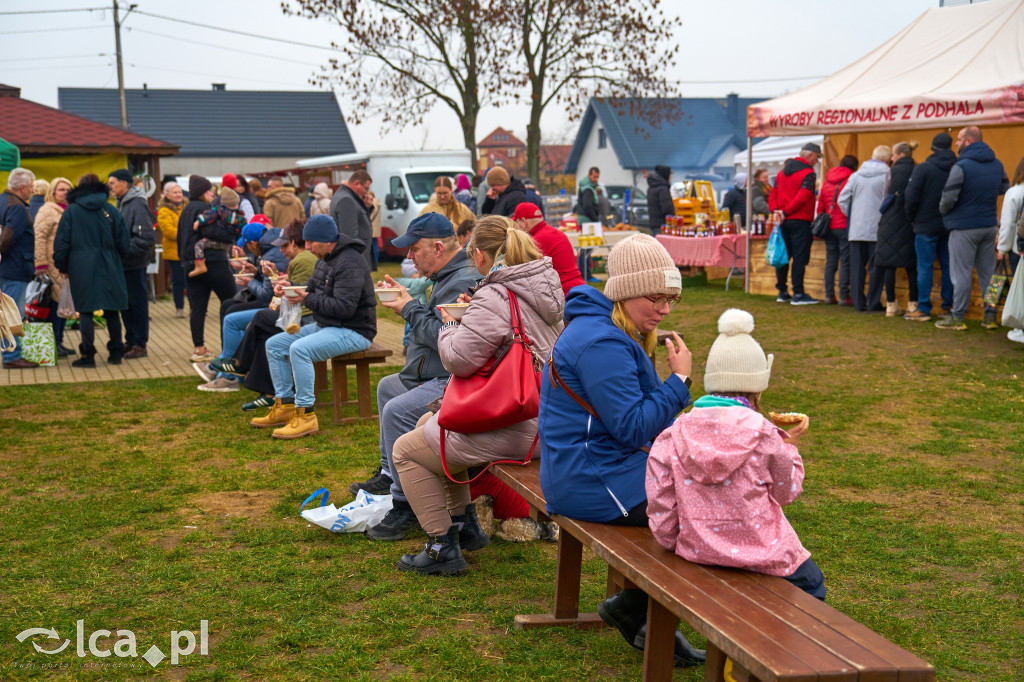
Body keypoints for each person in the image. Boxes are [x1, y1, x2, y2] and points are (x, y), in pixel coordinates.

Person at [537, 233, 702, 667]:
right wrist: (679, 382)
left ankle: (636, 605)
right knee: (706, 514)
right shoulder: (602, 343)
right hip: (593, 480)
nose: (665, 310)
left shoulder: (605, 330)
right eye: (657, 298)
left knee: (704, 496)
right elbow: (631, 428)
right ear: (626, 291)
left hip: (596, 469)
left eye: (672, 300)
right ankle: (646, 614)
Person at [390, 215, 565, 574]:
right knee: (427, 421)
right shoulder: (542, 286)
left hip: (513, 421)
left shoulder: (495, 294)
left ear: (480, 255)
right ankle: (464, 526)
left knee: (405, 451)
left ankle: (441, 546)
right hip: (543, 417)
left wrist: (453, 325)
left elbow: (457, 360)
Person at [646, 308, 825, 600]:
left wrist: (672, 542)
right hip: (763, 553)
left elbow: (661, 500)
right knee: (811, 586)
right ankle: (772, 646)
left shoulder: (674, 433)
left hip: (697, 549)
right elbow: (788, 492)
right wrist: (789, 447)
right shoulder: (765, 433)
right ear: (757, 387)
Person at [349, 213, 481, 541]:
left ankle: (404, 504)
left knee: (396, 409)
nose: (408, 257)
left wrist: (408, 308)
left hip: (455, 380)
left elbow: (444, 336)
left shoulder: (462, 279)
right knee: (387, 387)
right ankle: (388, 471)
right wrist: (408, 302)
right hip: (439, 373)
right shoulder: (448, 274)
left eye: (414, 250)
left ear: (438, 247)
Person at [248, 215, 375, 439]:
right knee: (275, 344)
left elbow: (344, 308)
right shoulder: (324, 258)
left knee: (300, 349)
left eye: (310, 242)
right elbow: (314, 289)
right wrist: (291, 287)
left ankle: (306, 414)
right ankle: (285, 405)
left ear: (327, 241)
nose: (306, 247)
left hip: (355, 331)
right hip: (329, 326)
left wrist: (305, 297)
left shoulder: (350, 262)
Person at [937, 126, 1009, 331]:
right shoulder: (997, 164)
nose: (956, 144)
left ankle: (958, 317)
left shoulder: (962, 166)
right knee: (990, 275)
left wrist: (944, 212)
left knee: (961, 274)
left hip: (963, 227)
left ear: (968, 141)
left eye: (959, 140)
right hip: (988, 226)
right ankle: (991, 316)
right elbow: (1004, 187)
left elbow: (948, 198)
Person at [53, 173, 129, 367]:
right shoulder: (111, 210)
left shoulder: (71, 212)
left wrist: (62, 265)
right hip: (110, 263)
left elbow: (62, 242)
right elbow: (124, 242)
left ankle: (88, 356)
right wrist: (117, 258)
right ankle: (116, 353)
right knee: (112, 310)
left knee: (85, 310)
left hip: (80, 266)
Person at [178, 174, 240, 364]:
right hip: (213, 262)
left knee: (197, 308)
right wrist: (231, 237)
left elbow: (180, 238)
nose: (213, 196)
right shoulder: (208, 209)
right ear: (205, 193)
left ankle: (199, 348)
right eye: (211, 193)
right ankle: (231, 350)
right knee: (232, 302)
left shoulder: (185, 210)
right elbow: (212, 231)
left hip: (190, 263)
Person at [903, 133, 957, 322]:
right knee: (948, 267)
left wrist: (912, 218)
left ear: (932, 148)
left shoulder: (923, 169)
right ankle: (947, 306)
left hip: (925, 225)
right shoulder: (957, 168)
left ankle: (924, 308)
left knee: (924, 267)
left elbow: (910, 197)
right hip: (949, 225)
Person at [108, 169, 156, 359]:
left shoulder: (137, 204)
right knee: (126, 305)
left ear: (124, 184)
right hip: (124, 264)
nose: (110, 186)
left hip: (134, 264)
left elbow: (145, 237)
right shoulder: (123, 203)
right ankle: (131, 340)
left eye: (113, 183)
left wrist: (123, 250)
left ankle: (140, 343)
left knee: (137, 304)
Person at [838, 146, 892, 312]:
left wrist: (853, 216)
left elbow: (842, 200)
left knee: (856, 269)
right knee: (876, 269)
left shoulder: (855, 176)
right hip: (878, 228)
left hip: (857, 229)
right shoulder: (888, 175)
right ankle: (873, 302)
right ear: (888, 160)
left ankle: (858, 302)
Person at [770, 143, 821, 305]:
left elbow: (773, 194)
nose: (817, 161)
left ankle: (782, 291)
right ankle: (798, 293)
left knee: (784, 256)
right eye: (817, 158)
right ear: (811, 156)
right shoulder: (809, 173)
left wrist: (776, 211)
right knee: (800, 257)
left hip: (783, 220)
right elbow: (803, 196)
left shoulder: (781, 173)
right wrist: (786, 212)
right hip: (800, 219)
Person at [875, 142, 919, 317]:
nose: (891, 158)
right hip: (909, 221)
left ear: (900, 155)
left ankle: (891, 305)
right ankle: (913, 304)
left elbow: (884, 195)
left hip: (889, 221)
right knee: (911, 265)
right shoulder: (917, 170)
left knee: (889, 265)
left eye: (893, 155)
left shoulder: (889, 172)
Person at [1, 168, 38, 369]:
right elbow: (7, 238)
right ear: (22, 187)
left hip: (7, 267)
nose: (33, 190)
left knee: (6, 312)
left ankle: (10, 354)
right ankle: (11, 356)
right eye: (31, 186)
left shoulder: (3, 199)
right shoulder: (16, 207)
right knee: (12, 313)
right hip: (14, 268)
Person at [32, 176, 74, 357]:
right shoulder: (47, 210)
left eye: (67, 189)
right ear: (52, 192)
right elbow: (39, 236)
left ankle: (60, 341)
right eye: (61, 189)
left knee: (63, 305)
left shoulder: (69, 210)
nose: (65, 193)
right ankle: (53, 343)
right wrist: (40, 262)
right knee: (54, 305)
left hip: (65, 264)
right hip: (51, 264)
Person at [512, 202, 584, 296]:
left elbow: (524, 275)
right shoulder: (557, 233)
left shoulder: (536, 241)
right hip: (578, 287)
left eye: (516, 222)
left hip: (563, 294)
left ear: (523, 221)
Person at [817, 155, 857, 305]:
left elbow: (820, 206)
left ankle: (829, 295)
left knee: (831, 261)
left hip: (829, 226)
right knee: (845, 261)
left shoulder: (827, 182)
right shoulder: (851, 180)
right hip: (844, 225)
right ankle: (843, 296)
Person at [189, 187, 245, 278]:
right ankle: (228, 269)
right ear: (237, 204)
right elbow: (242, 232)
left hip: (215, 242)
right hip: (228, 244)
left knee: (198, 245)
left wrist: (198, 221)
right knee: (226, 255)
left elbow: (208, 217)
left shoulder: (219, 210)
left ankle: (200, 265)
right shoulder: (241, 218)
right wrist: (239, 246)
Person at [998, 156, 1024, 343]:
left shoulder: (1014, 192)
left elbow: (1007, 223)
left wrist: (1002, 247)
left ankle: (1020, 325)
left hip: (1019, 248)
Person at [329, 170, 375, 272]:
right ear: (357, 183)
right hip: (355, 261)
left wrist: (367, 207)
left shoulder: (343, 195)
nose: (367, 192)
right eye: (366, 188)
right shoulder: (347, 200)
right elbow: (349, 237)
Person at [157, 182, 187, 318]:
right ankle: (179, 308)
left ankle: (195, 308)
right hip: (174, 252)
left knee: (191, 281)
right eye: (175, 192)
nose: (178, 195)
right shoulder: (164, 211)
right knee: (178, 281)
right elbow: (169, 231)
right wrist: (187, 234)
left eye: (180, 192)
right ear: (167, 195)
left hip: (187, 251)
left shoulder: (186, 207)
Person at [646, 165, 674, 234]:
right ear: (665, 175)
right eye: (670, 175)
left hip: (654, 224)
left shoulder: (651, 188)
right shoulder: (663, 189)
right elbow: (667, 208)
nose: (670, 177)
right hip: (662, 225)